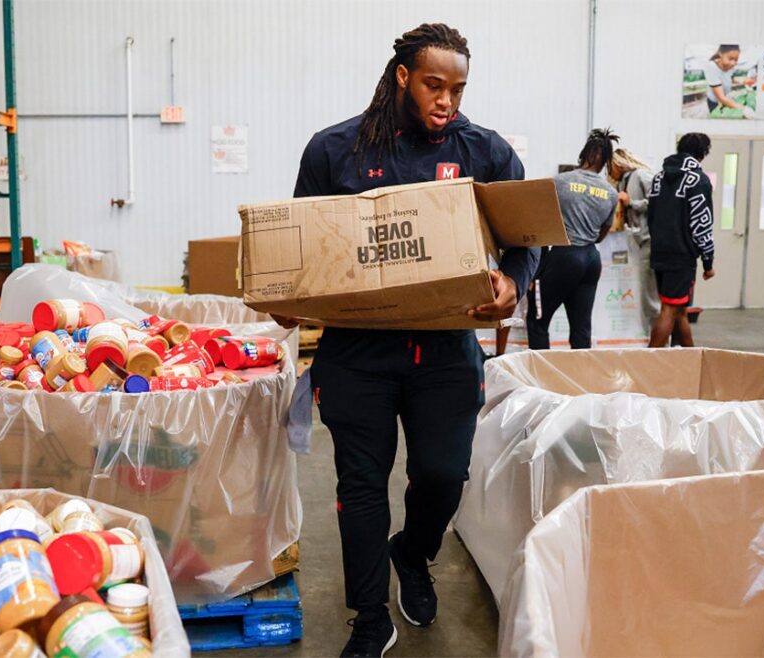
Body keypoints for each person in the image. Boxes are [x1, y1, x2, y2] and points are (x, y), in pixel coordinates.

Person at [279, 24, 537, 657]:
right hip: (357, 356)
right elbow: (297, 250)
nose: (446, 100)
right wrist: (287, 302)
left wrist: (513, 283)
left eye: (457, 88)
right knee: (360, 486)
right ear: (402, 77)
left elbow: (527, 239)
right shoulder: (333, 151)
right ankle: (369, 616)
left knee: (443, 475)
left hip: (446, 353)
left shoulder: (485, 154)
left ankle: (414, 553)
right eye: (433, 84)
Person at [526, 129, 619, 349]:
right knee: (581, 328)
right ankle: (580, 377)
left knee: (538, 319)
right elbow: (601, 234)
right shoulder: (611, 193)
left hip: (563, 256)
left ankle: (542, 376)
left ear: (583, 155)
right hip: (590, 260)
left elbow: (539, 218)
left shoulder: (560, 182)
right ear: (605, 161)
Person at [647, 133, 715, 348]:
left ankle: (690, 358)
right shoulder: (697, 180)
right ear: (703, 153)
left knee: (680, 309)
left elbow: (652, 216)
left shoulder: (658, 178)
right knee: (669, 309)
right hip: (681, 255)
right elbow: (701, 223)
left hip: (659, 252)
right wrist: (708, 262)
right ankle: (646, 362)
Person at [608, 148, 658, 328]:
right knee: (643, 292)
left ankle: (657, 340)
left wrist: (632, 203)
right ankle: (649, 335)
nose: (609, 172)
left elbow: (658, 201)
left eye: (609, 166)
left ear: (617, 163)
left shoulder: (641, 175)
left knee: (650, 296)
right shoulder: (624, 182)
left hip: (648, 240)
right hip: (638, 239)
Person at [703, 44, 755, 118]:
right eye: (730, 59)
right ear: (720, 54)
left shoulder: (730, 66)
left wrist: (744, 81)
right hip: (715, 102)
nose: (733, 63)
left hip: (726, 99)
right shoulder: (711, 67)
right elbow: (721, 97)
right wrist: (744, 108)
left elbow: (730, 78)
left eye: (736, 60)